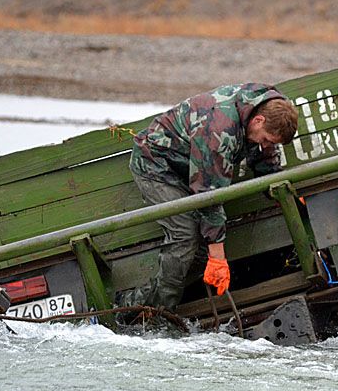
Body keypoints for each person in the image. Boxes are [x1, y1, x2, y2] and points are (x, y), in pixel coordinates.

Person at [127, 83, 298, 311]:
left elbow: (264, 156)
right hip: (157, 165)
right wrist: (218, 259)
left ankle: (144, 302)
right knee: (185, 235)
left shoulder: (268, 108)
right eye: (266, 139)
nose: (265, 145)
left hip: (194, 169)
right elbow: (208, 196)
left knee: (198, 250)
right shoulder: (219, 129)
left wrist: (282, 191)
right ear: (259, 121)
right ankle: (151, 312)